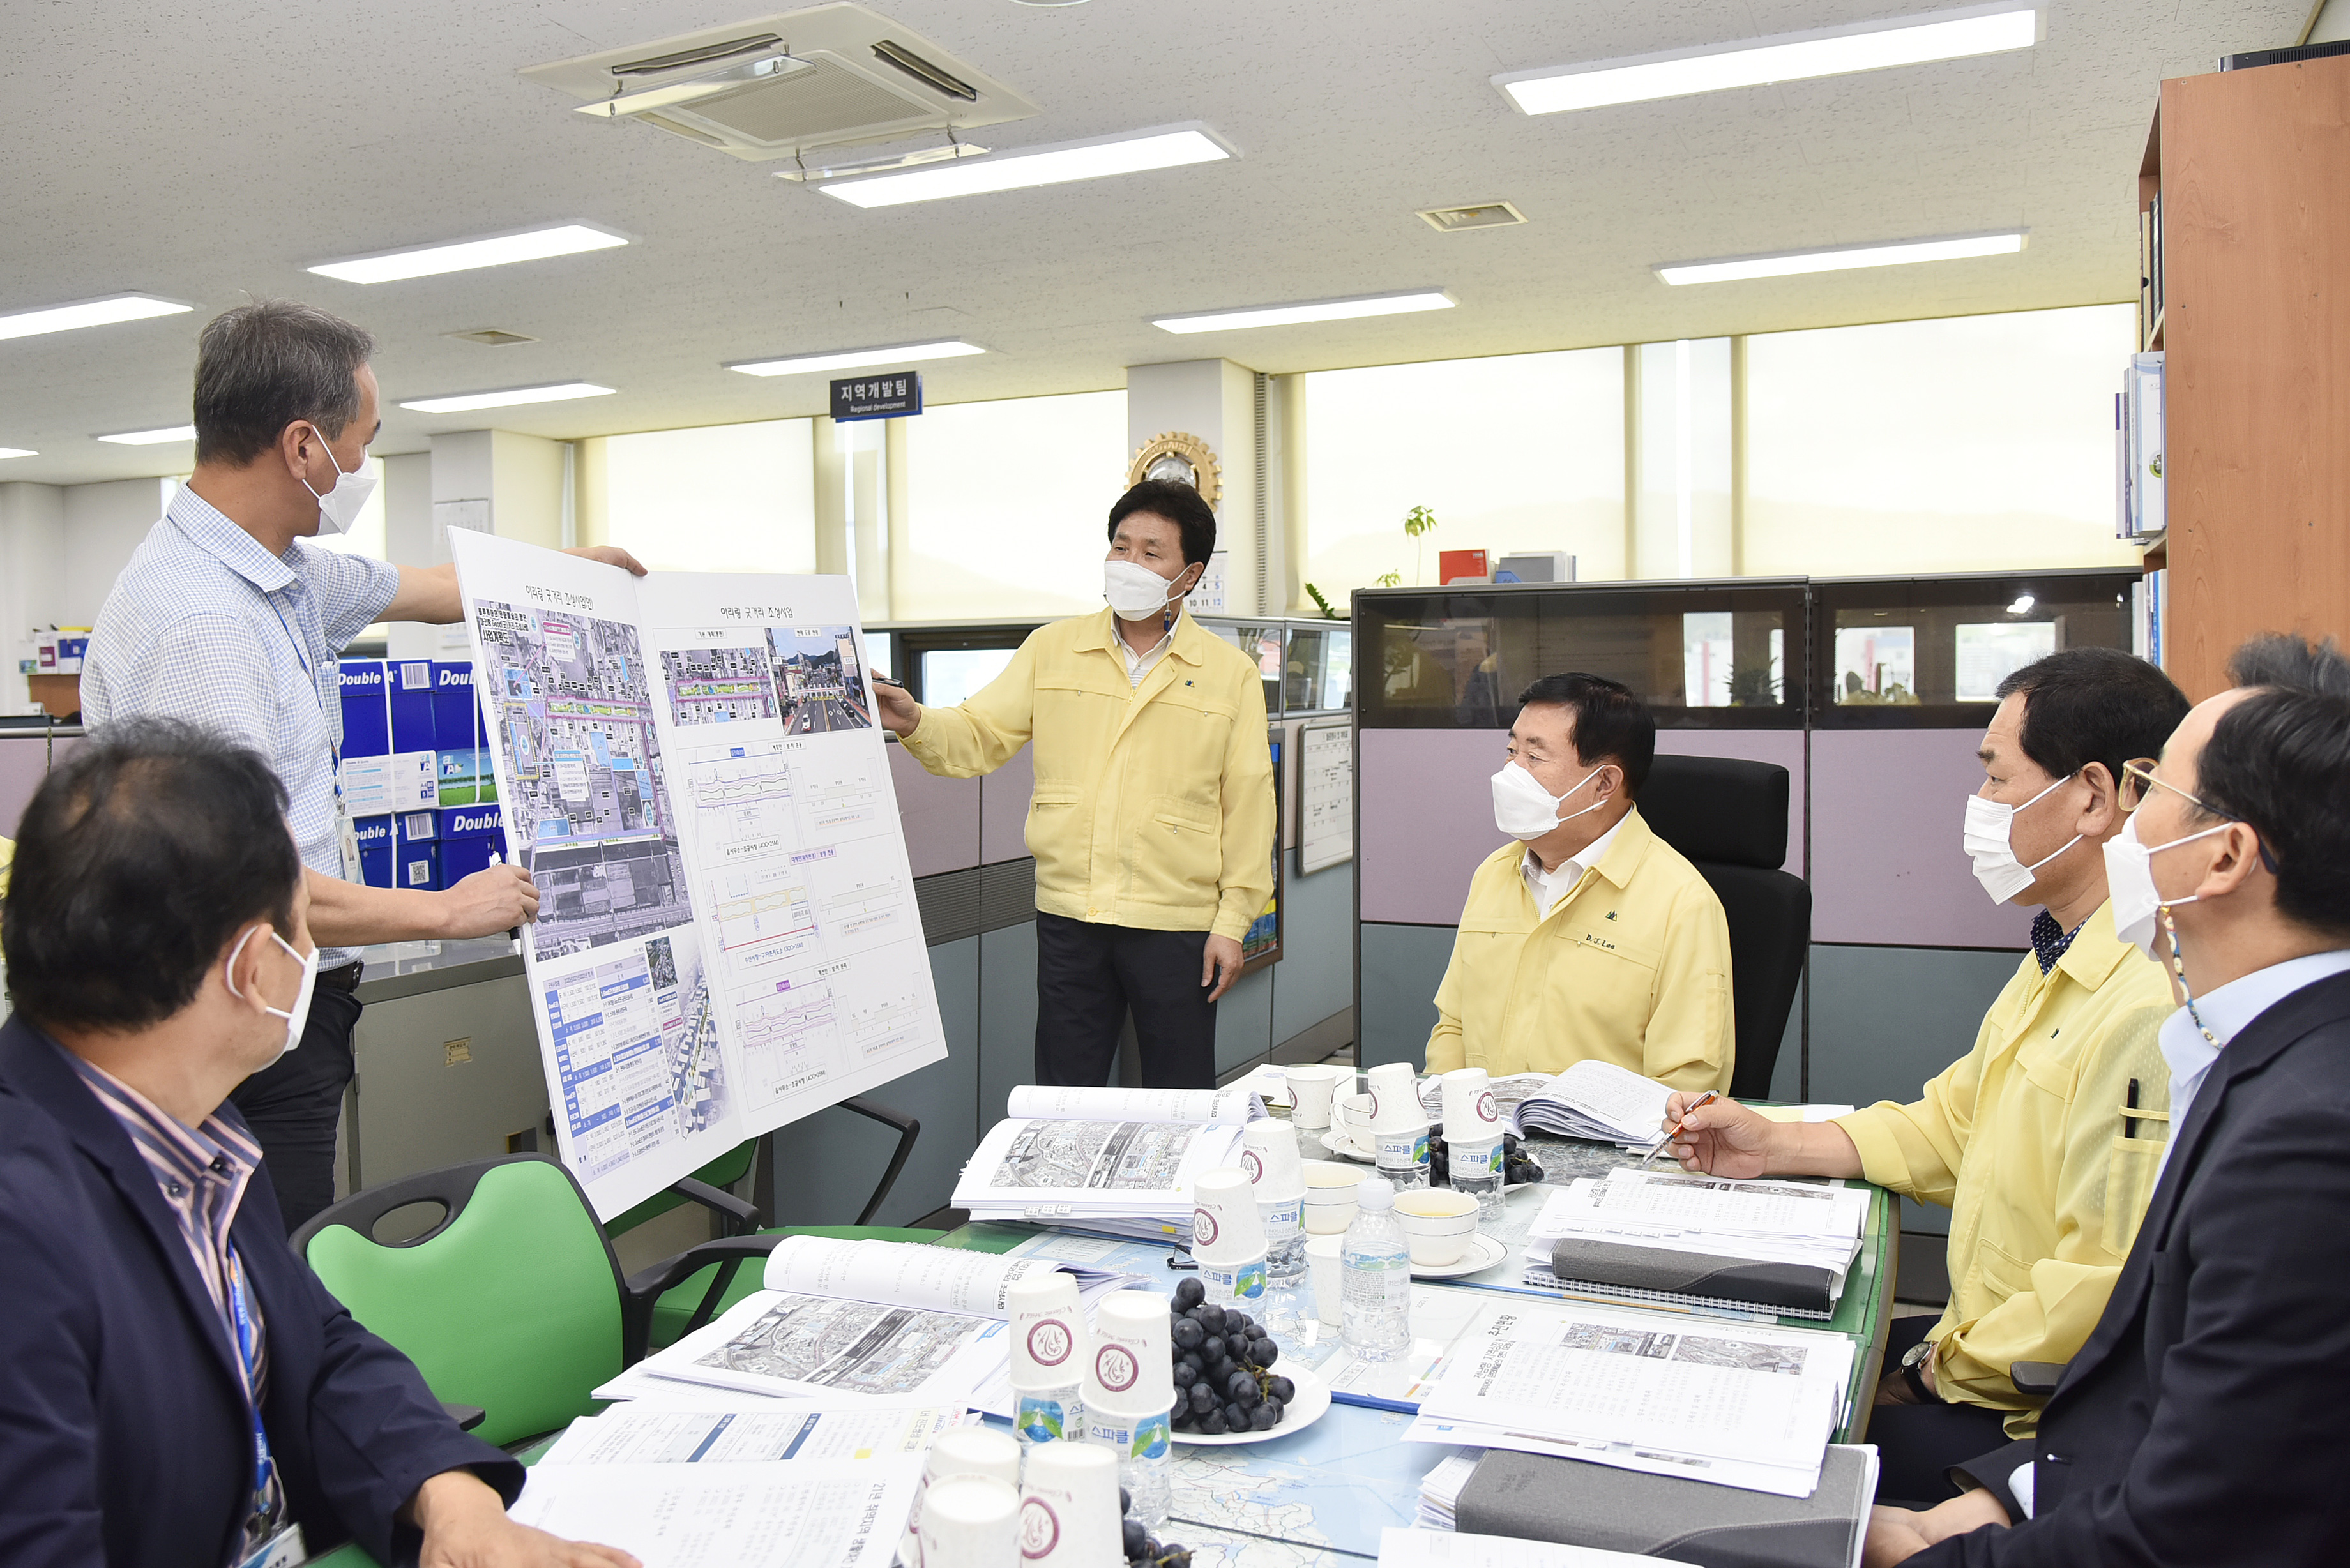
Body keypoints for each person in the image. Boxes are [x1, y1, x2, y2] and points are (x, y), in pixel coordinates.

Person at [0, 720, 635, 1568]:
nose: (314, 957)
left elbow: (317, 1350)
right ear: (251, 967)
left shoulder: (197, 1128)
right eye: (307, 930)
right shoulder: (24, 1229)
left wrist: (455, 1505)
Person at [80, 299, 643, 1232]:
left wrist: (577, 571)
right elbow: (248, 888)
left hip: (289, 1017)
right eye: (364, 442)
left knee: (286, 1282)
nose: (365, 469)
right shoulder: (204, 625)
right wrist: (451, 912)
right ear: (304, 448)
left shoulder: (279, 572)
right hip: (224, 1035)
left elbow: (431, 591)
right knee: (265, 1302)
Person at [1857, 635, 2350, 1567]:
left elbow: (2194, 1531)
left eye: (2157, 788)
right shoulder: (2238, 1041)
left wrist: (1922, 1553)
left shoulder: (2310, 1142)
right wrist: (2001, 1502)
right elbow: (2164, 1402)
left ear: (2225, 856)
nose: (2126, 816)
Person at [1665, 647, 2189, 1504]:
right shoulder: (2067, 951)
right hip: (1977, 1354)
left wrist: (1929, 1368)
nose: (1980, 807)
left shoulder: (2144, 1003)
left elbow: (2105, 1291)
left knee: (1726, 1460)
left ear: (2093, 797)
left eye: (1997, 778)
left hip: (2026, 1421)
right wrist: (1776, 1145)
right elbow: (1951, 1125)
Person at [872, 478, 1274, 1089]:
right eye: (1120, 546)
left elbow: (1248, 804)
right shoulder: (1053, 648)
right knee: (1066, 1091)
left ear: (1188, 576)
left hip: (1178, 923)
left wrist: (1232, 920)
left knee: (1178, 1094)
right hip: (1071, 914)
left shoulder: (1228, 673)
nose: (1128, 564)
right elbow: (980, 734)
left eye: (1150, 552)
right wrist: (916, 721)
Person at [1424, 672, 1734, 1090]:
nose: (1509, 773)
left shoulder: (1682, 903)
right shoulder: (1494, 874)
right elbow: (1454, 1027)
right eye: (1511, 750)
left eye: (1534, 758)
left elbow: (1687, 1084)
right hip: (1485, 1145)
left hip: (1606, 1149)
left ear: (1604, 783)